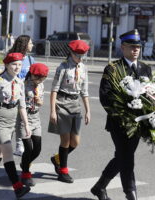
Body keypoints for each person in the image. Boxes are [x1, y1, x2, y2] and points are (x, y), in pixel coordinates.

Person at [90, 29, 152, 200]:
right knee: (127, 158)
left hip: (138, 124)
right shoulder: (113, 68)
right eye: (132, 46)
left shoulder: (146, 68)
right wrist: (122, 116)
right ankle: (131, 195)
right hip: (119, 123)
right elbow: (105, 96)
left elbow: (152, 95)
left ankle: (99, 187)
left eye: (138, 46)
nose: (136, 50)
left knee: (122, 157)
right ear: (122, 47)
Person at [0, 53, 31, 199]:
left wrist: (26, 125)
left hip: (12, 120)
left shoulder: (20, 82)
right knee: (8, 151)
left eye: (20, 65)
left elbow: (22, 105)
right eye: (14, 64)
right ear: (7, 65)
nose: (17, 67)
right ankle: (17, 187)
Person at [48, 40, 91, 183]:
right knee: (65, 141)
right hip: (62, 103)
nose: (80, 57)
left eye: (83, 55)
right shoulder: (63, 67)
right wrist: (53, 111)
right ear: (71, 53)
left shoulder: (84, 68)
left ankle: (57, 159)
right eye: (78, 55)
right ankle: (63, 171)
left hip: (75, 104)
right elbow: (54, 89)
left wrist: (88, 111)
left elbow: (84, 91)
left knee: (75, 142)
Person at [19, 63, 49, 187]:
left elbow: (41, 101)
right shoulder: (23, 85)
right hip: (24, 117)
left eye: (43, 78)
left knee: (37, 149)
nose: (40, 81)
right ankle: (26, 174)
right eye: (38, 78)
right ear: (32, 75)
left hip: (36, 117)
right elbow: (19, 104)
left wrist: (40, 101)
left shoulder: (41, 85)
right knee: (28, 148)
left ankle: (24, 163)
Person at [7, 35, 35, 156]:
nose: (32, 45)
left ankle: (19, 145)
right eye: (30, 43)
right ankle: (5, 144)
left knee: (21, 121)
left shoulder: (30, 59)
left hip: (26, 95)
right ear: (24, 44)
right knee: (11, 121)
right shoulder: (12, 57)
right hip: (13, 93)